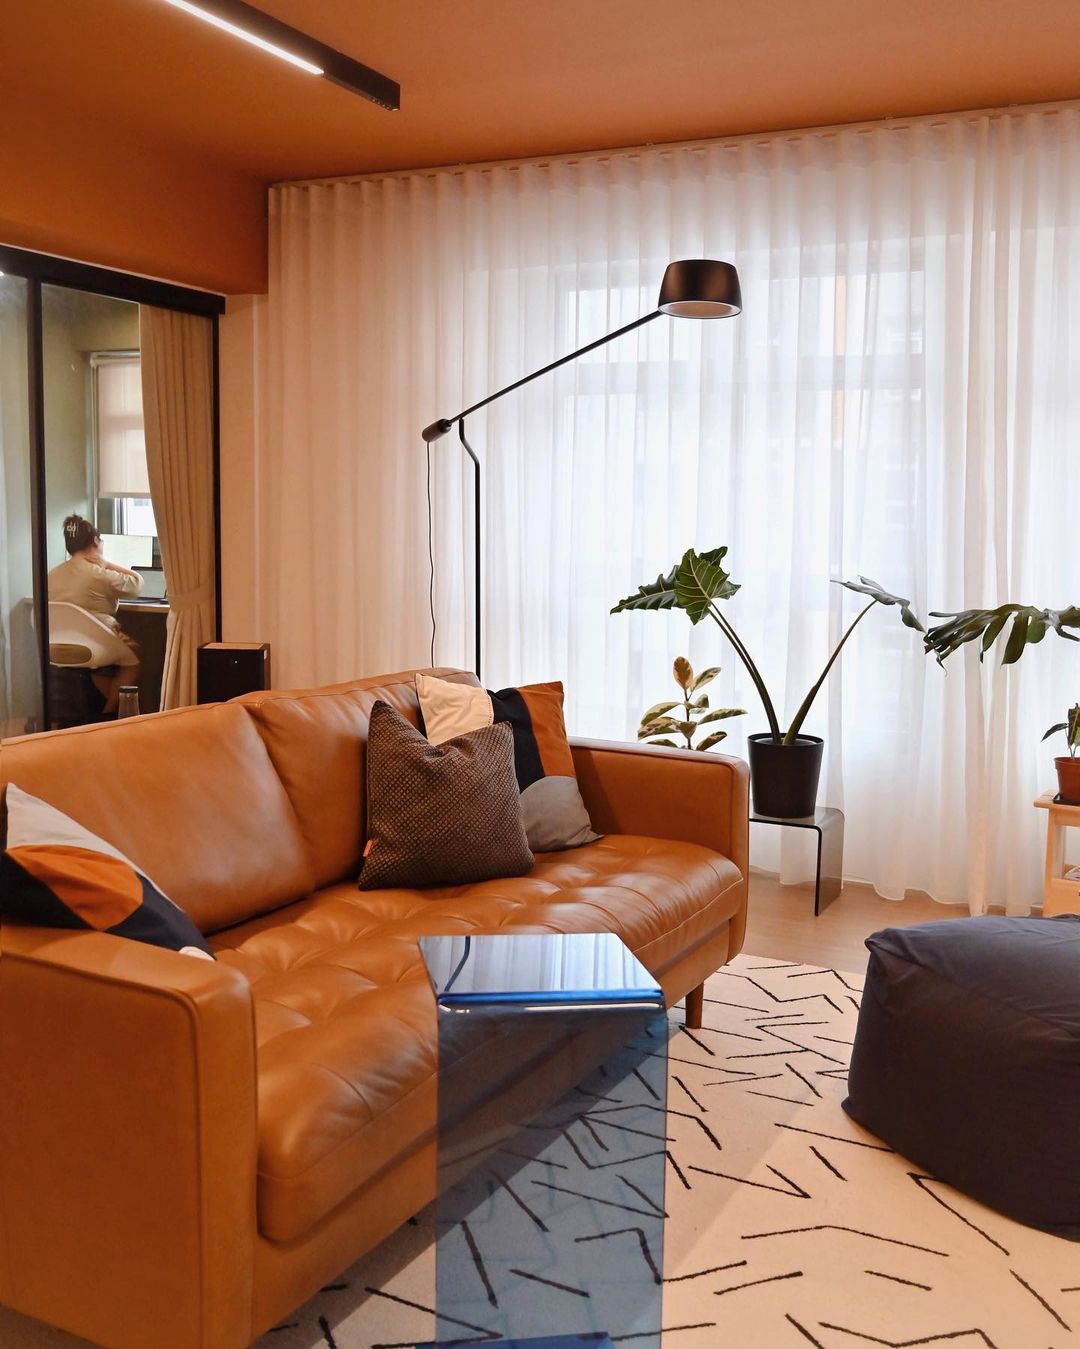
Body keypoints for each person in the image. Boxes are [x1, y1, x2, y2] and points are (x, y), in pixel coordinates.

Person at [48, 514, 143, 715]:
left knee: (102, 664)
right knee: (132, 658)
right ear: (95, 541)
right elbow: (136, 585)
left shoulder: (52, 574)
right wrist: (107, 563)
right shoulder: (96, 573)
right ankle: (107, 714)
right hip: (97, 645)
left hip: (56, 646)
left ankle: (96, 714)